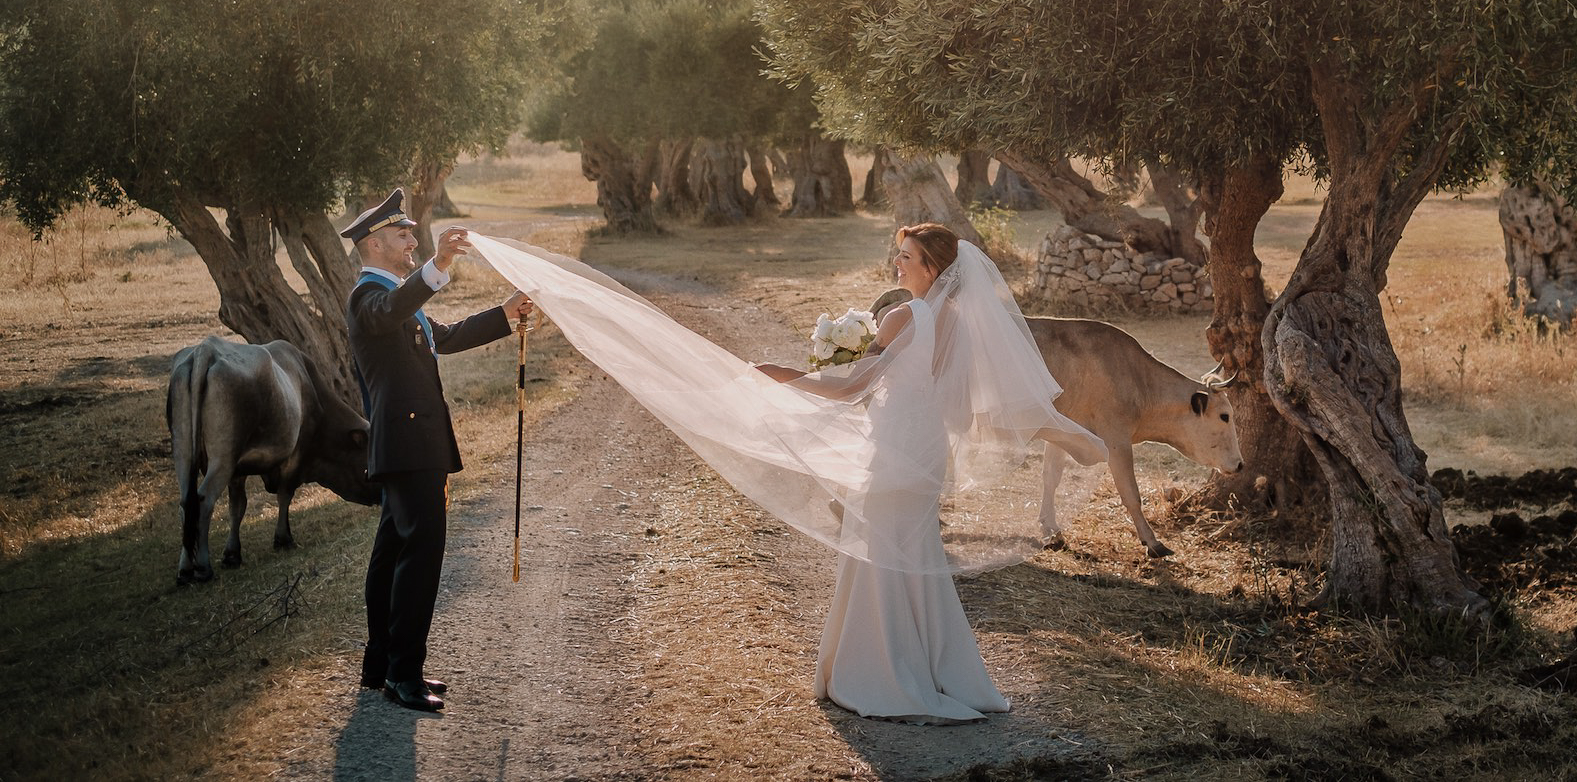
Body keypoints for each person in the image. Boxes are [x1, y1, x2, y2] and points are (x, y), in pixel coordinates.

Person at [463, 220, 1105, 724]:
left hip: (895, 449)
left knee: (884, 554)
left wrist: (791, 378)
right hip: (920, 447)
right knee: (905, 553)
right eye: (897, 256)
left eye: (906, 258)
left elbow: (855, 384)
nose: (897, 265)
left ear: (933, 267)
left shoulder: (908, 315)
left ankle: (887, 678)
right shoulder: (952, 321)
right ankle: (928, 670)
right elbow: (916, 388)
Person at [341, 188, 533, 713]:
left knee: (391, 557)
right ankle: (405, 674)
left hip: (408, 447)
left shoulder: (396, 297)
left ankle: (381, 665)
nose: (412, 240)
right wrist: (439, 263)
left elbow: (443, 337)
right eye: (403, 234)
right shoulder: (368, 298)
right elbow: (390, 311)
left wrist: (505, 312)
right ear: (376, 243)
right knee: (419, 558)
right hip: (409, 447)